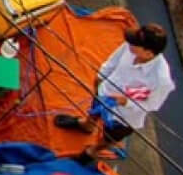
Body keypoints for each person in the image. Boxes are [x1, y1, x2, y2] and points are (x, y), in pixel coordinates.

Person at [57, 25, 172, 161]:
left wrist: (125, 101)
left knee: (111, 136)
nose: (130, 43)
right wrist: (100, 78)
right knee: (94, 111)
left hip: (124, 116)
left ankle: (93, 150)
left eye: (135, 44)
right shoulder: (130, 47)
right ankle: (87, 125)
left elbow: (152, 104)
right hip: (105, 92)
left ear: (148, 53)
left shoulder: (161, 80)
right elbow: (113, 61)